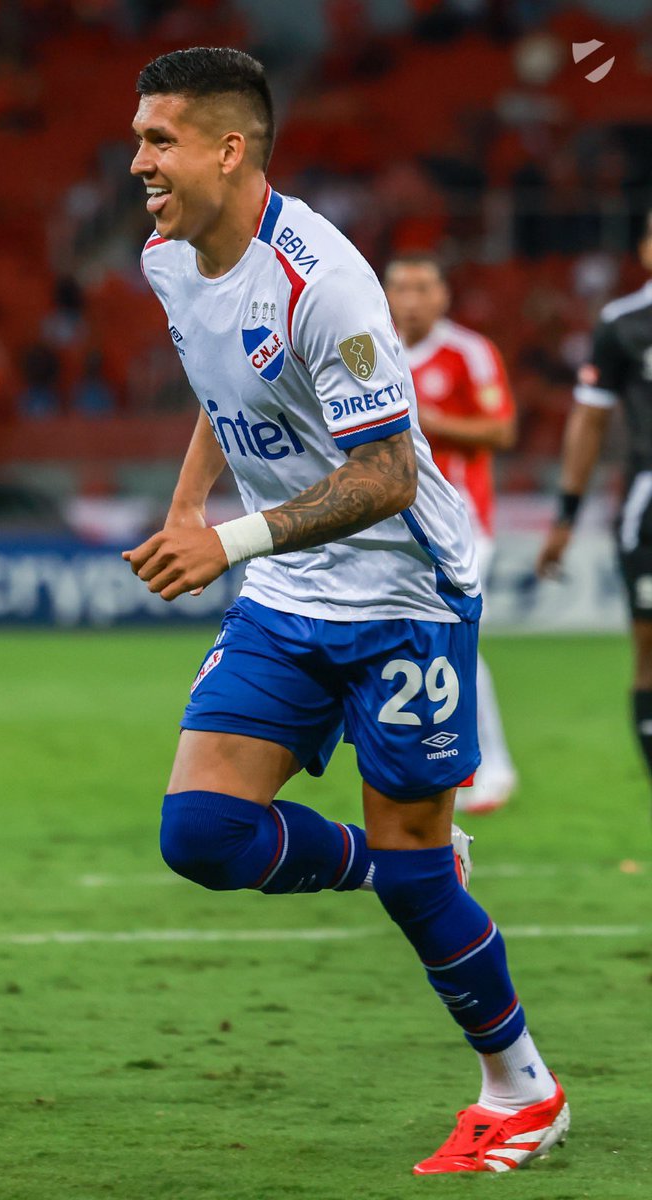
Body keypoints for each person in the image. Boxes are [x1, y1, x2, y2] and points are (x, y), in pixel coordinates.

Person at [123, 47, 568, 1175]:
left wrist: (223, 540)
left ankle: (523, 1089)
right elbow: (224, 389)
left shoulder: (327, 281)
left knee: (421, 872)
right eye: (138, 139)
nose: (138, 163)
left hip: (404, 599)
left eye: (159, 141)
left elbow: (383, 476)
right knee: (203, 836)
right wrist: (188, 506)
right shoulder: (171, 258)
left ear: (230, 149)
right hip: (288, 590)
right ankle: (403, 864)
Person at [385, 254, 518, 813]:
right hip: (391, 521)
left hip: (461, 522)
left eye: (423, 287)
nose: (411, 299)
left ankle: (490, 767)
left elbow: (503, 428)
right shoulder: (370, 348)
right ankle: (426, 761)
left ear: (443, 296)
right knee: (406, 640)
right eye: (401, 288)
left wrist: (433, 422)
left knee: (454, 637)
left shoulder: (468, 351)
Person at [539, 214, 652, 794]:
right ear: (645, 248)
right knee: (649, 651)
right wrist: (565, 516)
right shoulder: (623, 323)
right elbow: (588, 422)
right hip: (647, 506)